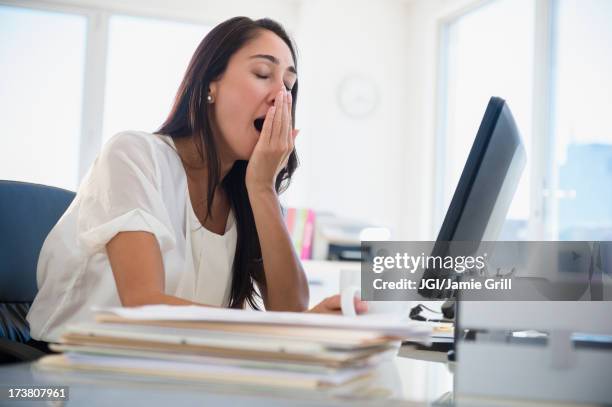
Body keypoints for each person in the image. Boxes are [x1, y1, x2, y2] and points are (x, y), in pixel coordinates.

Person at [27, 16, 366, 344]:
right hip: (75, 372)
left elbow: (290, 312)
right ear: (209, 86)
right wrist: (285, 327)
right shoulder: (134, 155)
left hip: (176, 373)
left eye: (290, 85)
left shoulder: (249, 193)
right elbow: (144, 306)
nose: (282, 96)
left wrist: (263, 188)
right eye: (263, 73)